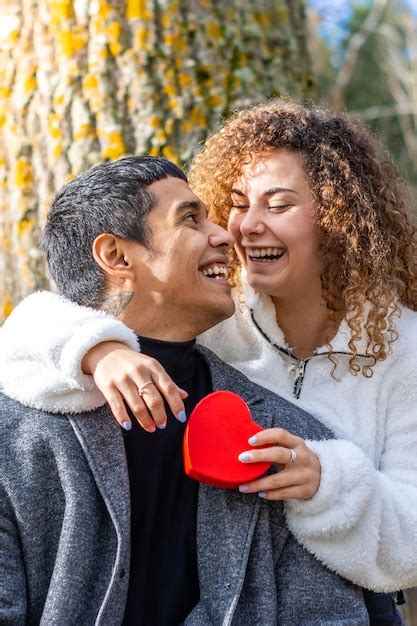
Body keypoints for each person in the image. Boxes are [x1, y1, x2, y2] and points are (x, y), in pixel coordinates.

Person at [2, 102, 414, 624]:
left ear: (339, 215)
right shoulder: (216, 313)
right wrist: (97, 350)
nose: (238, 230)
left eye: (279, 205)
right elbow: (35, 326)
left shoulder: (398, 354)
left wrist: (325, 480)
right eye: (235, 205)